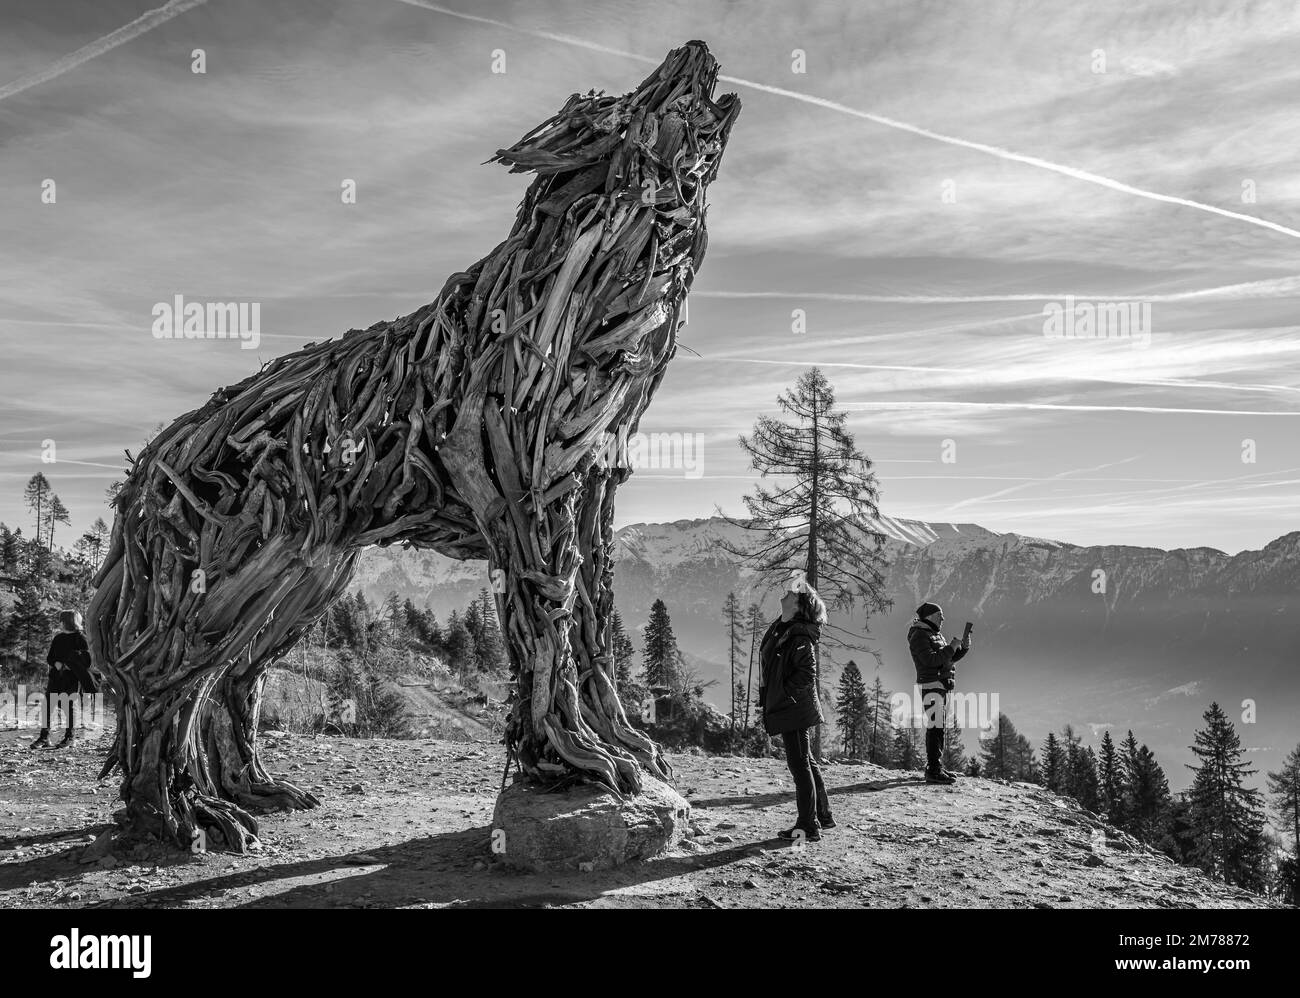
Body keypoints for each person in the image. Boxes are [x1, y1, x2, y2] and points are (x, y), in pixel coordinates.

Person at [758, 578, 834, 841]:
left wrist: (785, 694)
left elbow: (806, 673)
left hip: (794, 708)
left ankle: (808, 826)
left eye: (792, 592)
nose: (786, 591)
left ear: (799, 604)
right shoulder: (784, 627)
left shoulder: (799, 634)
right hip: (789, 705)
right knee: (806, 761)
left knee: (799, 763)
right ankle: (822, 816)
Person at [907, 601, 970, 784]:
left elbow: (947, 658)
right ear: (930, 617)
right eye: (939, 615)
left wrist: (963, 647)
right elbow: (930, 660)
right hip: (931, 684)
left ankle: (936, 767)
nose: (943, 618)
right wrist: (951, 647)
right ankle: (933, 769)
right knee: (935, 726)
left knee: (938, 726)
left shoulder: (934, 634)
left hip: (940, 684)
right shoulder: (919, 635)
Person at [30, 610, 99, 750]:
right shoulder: (58, 638)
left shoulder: (81, 638)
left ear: (67, 622)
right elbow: (50, 657)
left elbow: (87, 659)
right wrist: (56, 663)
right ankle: (44, 738)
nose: (60, 623)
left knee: (69, 708)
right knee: (48, 707)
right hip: (56, 677)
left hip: (72, 679)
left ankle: (70, 738)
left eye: (61, 620)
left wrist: (69, 665)